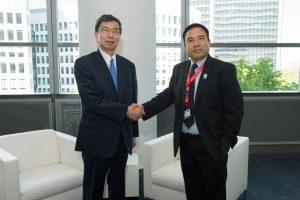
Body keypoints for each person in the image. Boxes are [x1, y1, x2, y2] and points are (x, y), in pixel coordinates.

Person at [140, 23, 244, 200]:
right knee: (193, 192)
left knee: (214, 194)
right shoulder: (180, 70)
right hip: (186, 144)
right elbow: (168, 96)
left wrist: (225, 143)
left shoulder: (224, 70)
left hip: (212, 145)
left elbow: (235, 110)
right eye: (190, 40)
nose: (196, 43)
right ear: (185, 45)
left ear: (209, 42)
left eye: (200, 38)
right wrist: (143, 109)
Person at [74, 14, 143, 200]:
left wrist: (133, 133)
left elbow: (132, 100)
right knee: (93, 190)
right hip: (95, 138)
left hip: (122, 137)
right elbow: (91, 100)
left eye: (115, 31)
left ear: (120, 36)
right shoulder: (83, 64)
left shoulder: (129, 66)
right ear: (96, 35)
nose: (110, 35)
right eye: (105, 30)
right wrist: (125, 111)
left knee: (118, 188)